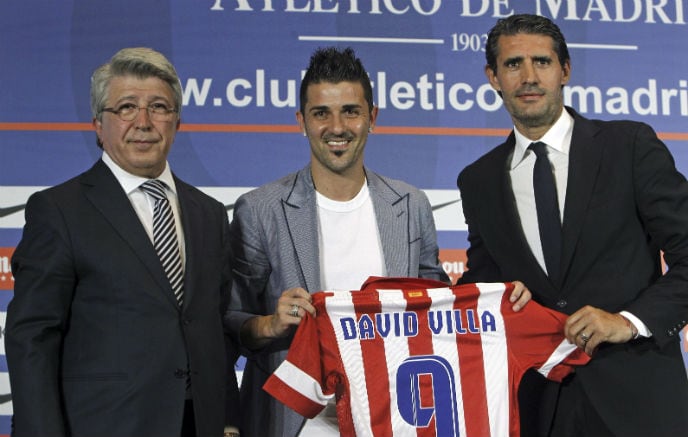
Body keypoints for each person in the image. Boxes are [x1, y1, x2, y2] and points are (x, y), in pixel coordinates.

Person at [225, 46, 533, 437]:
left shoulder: (410, 204)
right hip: (297, 423)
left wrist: (502, 303)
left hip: (395, 419)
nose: (337, 127)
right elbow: (230, 322)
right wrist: (271, 323)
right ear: (301, 121)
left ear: (372, 118)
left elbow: (437, 309)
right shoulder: (260, 209)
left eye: (351, 111)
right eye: (321, 113)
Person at [457, 14, 688, 437]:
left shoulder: (629, 146)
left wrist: (628, 321)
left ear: (565, 70)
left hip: (639, 401)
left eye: (541, 62)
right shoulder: (478, 180)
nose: (528, 77)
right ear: (492, 77)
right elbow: (481, 287)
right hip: (539, 407)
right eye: (513, 65)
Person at [6, 47, 240, 437]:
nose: (144, 122)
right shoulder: (58, 210)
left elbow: (215, 332)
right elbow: (32, 337)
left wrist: (229, 420)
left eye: (159, 107)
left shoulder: (209, 213)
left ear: (177, 121)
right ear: (99, 123)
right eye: (127, 107)